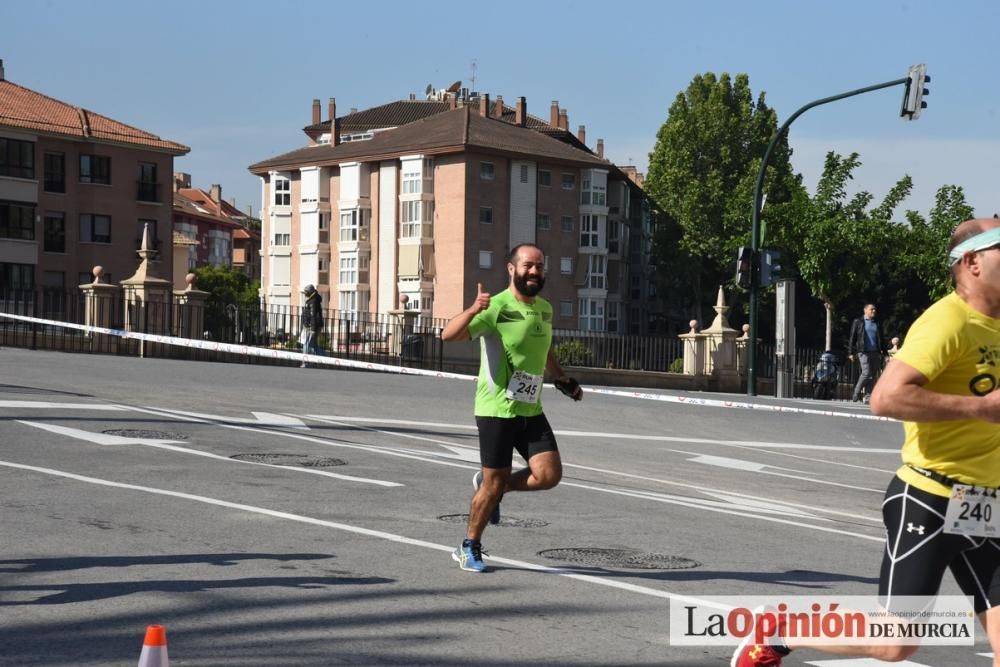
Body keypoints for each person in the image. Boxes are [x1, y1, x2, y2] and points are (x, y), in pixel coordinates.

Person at [732, 218, 1000, 666]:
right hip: (931, 499)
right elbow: (886, 397)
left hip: (987, 505)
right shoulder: (947, 322)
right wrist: (982, 409)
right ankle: (781, 631)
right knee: (894, 645)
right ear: (972, 262)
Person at [440, 243, 583, 573]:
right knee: (493, 484)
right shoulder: (496, 307)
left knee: (549, 475)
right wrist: (474, 309)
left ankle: (494, 486)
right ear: (511, 269)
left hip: (530, 408)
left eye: (540, 267)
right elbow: (448, 335)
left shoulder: (545, 309)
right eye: (528, 266)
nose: (534, 272)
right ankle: (469, 545)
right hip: (496, 410)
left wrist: (562, 379)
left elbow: (543, 349)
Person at [847, 303, 884, 403]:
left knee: (872, 375)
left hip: (875, 352)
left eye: (875, 309)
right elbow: (852, 337)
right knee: (866, 372)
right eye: (872, 309)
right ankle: (856, 392)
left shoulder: (877, 323)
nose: (874, 311)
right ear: (865, 310)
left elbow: (882, 339)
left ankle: (867, 397)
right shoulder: (858, 322)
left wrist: (885, 353)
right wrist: (850, 352)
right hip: (863, 351)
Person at [299, 284, 323, 367]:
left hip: (311, 326)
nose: (305, 293)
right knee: (313, 345)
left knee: (307, 344)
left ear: (310, 292)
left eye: (306, 292)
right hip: (310, 325)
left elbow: (313, 315)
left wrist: (312, 329)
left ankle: (305, 362)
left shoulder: (313, 301)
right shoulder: (312, 299)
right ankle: (320, 360)